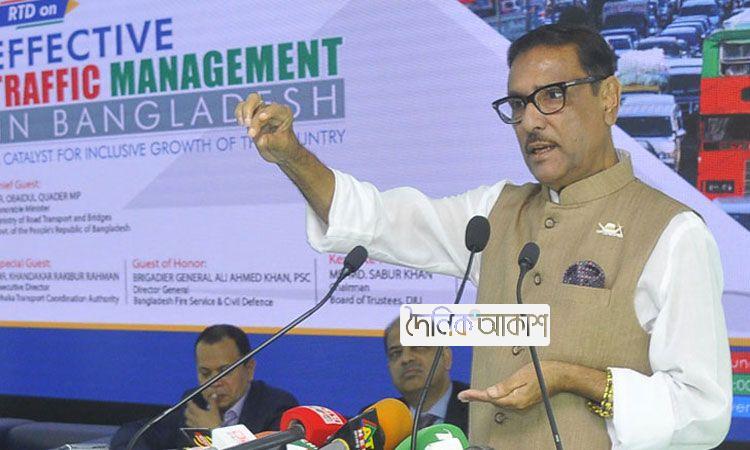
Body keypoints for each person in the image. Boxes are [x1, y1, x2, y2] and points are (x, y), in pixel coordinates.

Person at [235, 24, 731, 449]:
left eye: (552, 96)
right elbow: (377, 220)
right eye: (518, 104)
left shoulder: (671, 231)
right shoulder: (495, 212)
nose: (531, 121)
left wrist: (573, 378)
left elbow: (704, 413)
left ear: (608, 98)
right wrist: (292, 156)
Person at [110, 324, 298, 450]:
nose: (215, 382)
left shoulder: (276, 407)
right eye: (205, 373)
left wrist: (216, 432)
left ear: (249, 369)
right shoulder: (195, 400)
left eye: (225, 371)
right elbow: (135, 433)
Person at [382, 317, 468, 435]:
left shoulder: (477, 408)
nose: (406, 359)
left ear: (446, 357)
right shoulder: (376, 422)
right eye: (396, 353)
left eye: (418, 347)